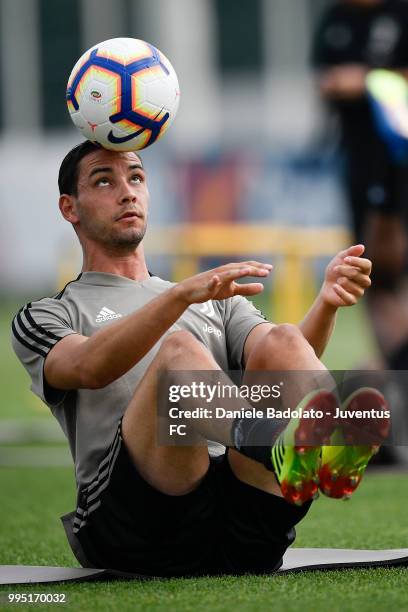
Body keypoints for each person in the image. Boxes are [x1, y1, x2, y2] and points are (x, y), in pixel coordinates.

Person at [11, 140, 386, 577]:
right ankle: (281, 447)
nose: (127, 192)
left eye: (136, 177)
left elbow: (285, 365)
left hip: (240, 526)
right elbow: (85, 367)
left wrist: (326, 303)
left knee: (283, 338)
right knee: (179, 352)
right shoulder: (48, 313)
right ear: (69, 208)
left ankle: (322, 448)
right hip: (138, 529)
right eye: (104, 180)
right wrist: (177, 298)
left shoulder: (208, 299)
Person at [313, 0, 408, 372]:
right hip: (359, 162)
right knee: (372, 271)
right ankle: (393, 364)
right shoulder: (336, 17)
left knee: (390, 264)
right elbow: (322, 76)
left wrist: (366, 81)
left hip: (400, 160)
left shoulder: (400, 13)